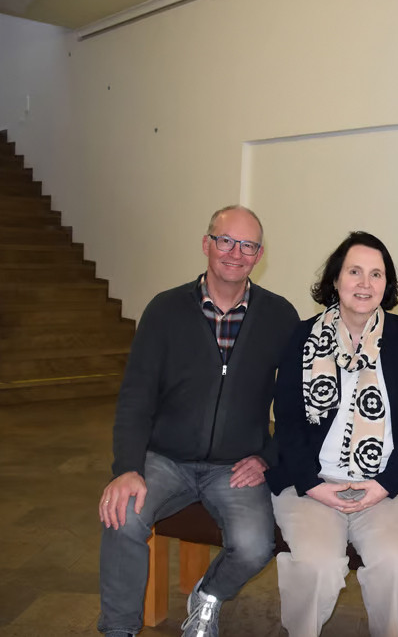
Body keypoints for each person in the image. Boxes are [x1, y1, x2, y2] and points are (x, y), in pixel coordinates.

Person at [96, 205, 299, 637]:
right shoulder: (165, 310)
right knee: (122, 517)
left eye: (247, 245)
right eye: (226, 240)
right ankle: (119, 630)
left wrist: (267, 455)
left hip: (236, 466)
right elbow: (136, 397)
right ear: (207, 244)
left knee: (254, 545)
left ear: (259, 255)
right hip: (164, 460)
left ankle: (207, 596)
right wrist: (128, 468)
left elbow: (296, 404)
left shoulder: (280, 317)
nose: (235, 253)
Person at [267, 231, 398, 637]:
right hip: (311, 484)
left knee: (397, 566)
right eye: (354, 272)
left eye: (376, 274)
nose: (365, 284)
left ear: (387, 285)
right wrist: (313, 485)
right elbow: (289, 421)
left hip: (390, 486)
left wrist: (384, 484)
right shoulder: (302, 337)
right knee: (315, 566)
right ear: (336, 279)